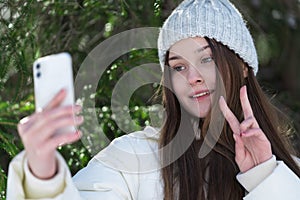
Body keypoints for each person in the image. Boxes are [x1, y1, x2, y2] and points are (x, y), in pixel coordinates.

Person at [6, 0, 300, 199]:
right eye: (179, 67)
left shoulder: (287, 176)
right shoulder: (133, 159)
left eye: (207, 59)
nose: (192, 77)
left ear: (243, 65)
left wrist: (264, 177)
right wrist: (42, 172)